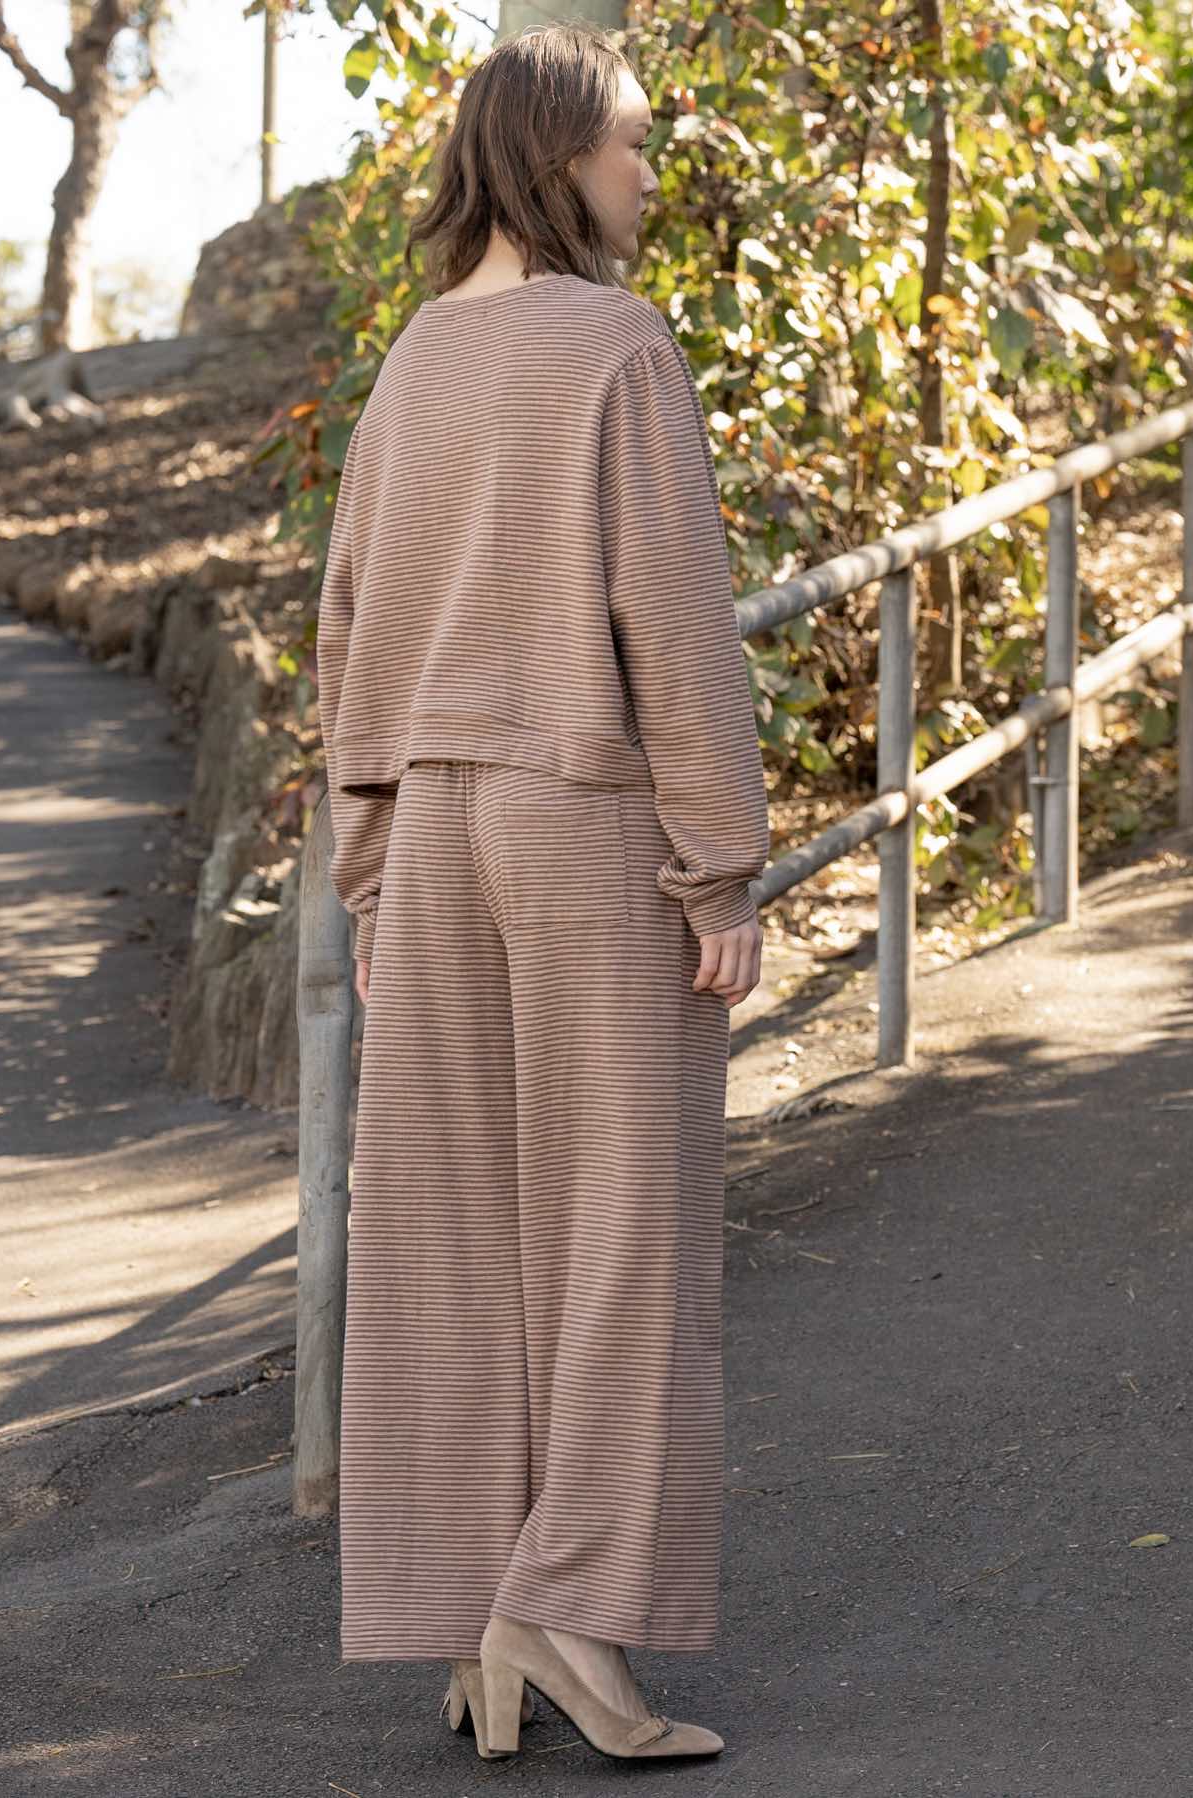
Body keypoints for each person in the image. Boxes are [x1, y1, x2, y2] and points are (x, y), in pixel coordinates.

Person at [313, 19, 770, 1765]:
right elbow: (671, 620)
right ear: (554, 152)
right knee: (615, 1235)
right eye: (632, 143)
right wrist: (718, 863)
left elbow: (347, 633)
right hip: (580, 826)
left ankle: (470, 1623)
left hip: (429, 832)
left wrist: (367, 879)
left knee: (448, 1236)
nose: (649, 173)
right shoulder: (614, 346)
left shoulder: (412, 362)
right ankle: (565, 1612)